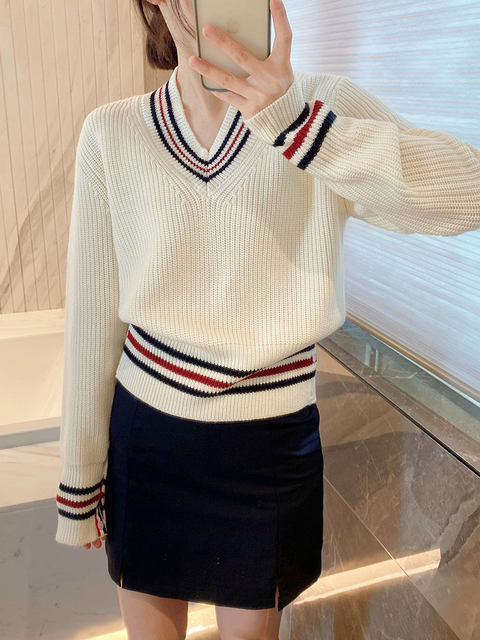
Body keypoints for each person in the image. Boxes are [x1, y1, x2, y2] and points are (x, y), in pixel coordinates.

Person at [54, 0, 480, 638]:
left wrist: (295, 126)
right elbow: (91, 313)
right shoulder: (112, 132)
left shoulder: (318, 106)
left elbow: (467, 193)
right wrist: (80, 479)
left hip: (268, 443)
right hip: (148, 437)